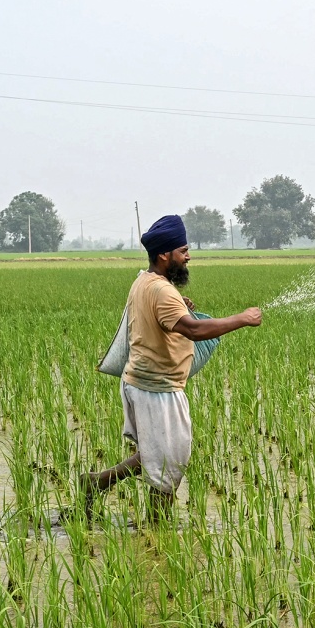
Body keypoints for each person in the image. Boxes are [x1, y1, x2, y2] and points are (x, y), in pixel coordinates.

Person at [82, 214, 261, 518]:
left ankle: (97, 483)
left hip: (144, 382)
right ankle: (157, 529)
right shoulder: (162, 291)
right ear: (165, 255)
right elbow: (194, 330)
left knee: (155, 453)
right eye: (183, 251)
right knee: (170, 464)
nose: (188, 257)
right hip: (156, 388)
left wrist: (180, 304)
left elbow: (162, 315)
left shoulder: (146, 281)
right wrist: (242, 319)